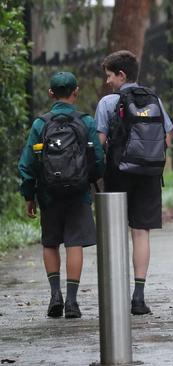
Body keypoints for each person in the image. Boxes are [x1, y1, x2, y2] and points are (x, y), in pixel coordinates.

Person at [18, 71, 105, 318]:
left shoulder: (40, 124)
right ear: (76, 92)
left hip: (48, 193)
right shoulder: (85, 122)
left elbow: (27, 164)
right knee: (74, 243)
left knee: (51, 241)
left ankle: (54, 295)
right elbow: (98, 159)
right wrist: (89, 178)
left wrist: (29, 195)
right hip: (78, 193)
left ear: (50, 94)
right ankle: (72, 302)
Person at [95, 50, 173, 315]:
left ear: (121, 75)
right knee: (141, 233)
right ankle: (138, 297)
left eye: (109, 76)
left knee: (115, 233)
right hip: (149, 174)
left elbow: (100, 144)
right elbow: (165, 140)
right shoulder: (154, 98)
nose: (107, 82)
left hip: (119, 173)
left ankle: (116, 294)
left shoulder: (108, 102)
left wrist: (96, 175)